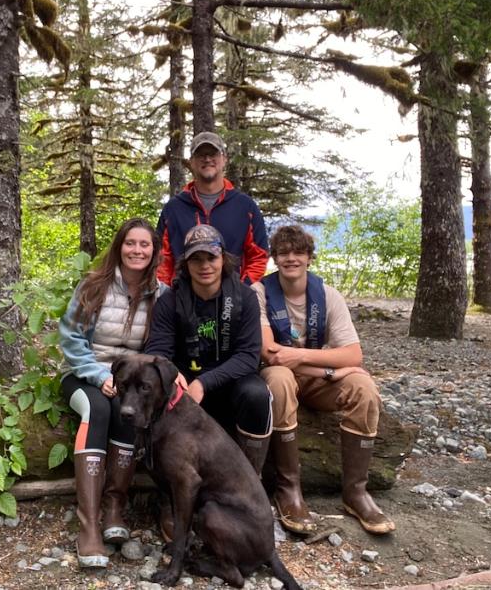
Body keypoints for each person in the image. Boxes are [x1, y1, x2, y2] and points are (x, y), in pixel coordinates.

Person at [252, 225, 395, 536]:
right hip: (281, 375)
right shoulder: (259, 292)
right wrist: (330, 370)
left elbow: (353, 355)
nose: (291, 258)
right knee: (279, 379)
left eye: (298, 252)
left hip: (314, 377)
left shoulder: (328, 295)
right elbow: (271, 353)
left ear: (309, 257)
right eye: (283, 253)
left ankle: (355, 492)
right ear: (275, 258)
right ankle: (289, 489)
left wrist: (307, 361)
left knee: (364, 387)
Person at [59, 218, 165, 568]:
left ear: (154, 251)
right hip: (82, 374)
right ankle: (89, 526)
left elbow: (160, 346)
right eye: (130, 243)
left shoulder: (160, 293)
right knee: (99, 410)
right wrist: (99, 374)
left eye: (144, 245)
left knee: (128, 412)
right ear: (120, 246)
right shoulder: (94, 285)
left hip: (128, 381)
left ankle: (114, 508)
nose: (137, 250)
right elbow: (71, 340)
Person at [145, 224, 272, 472]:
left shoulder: (245, 298)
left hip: (231, 379)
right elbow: (157, 351)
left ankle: (250, 477)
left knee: (257, 395)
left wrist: (204, 382)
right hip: (185, 381)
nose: (205, 266)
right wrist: (172, 373)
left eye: (211, 257)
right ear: (186, 263)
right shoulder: (170, 301)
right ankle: (173, 476)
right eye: (196, 259)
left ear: (223, 258)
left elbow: (248, 356)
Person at [156, 131, 268, 285]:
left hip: (233, 296)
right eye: (201, 154)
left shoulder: (245, 207)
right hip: (182, 296)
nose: (207, 159)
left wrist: (243, 289)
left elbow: (259, 256)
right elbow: (162, 259)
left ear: (224, 159)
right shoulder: (174, 209)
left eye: (213, 153)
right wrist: (167, 292)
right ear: (192, 162)